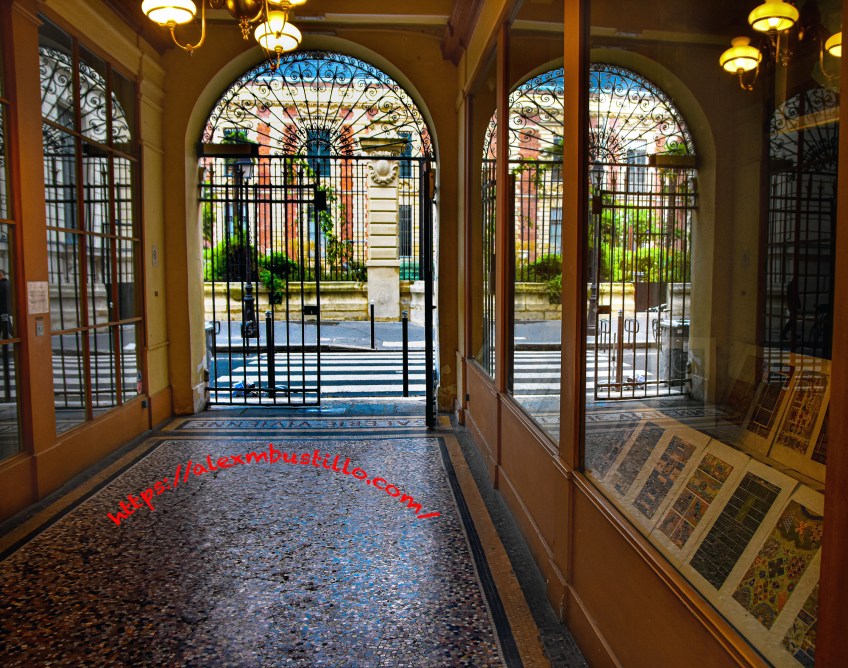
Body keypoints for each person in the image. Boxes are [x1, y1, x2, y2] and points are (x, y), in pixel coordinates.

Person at [0, 269, 10, 338]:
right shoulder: (9, 283)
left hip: (1, 310)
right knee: (5, 330)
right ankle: (5, 347)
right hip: (7, 311)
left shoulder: (1, 284)